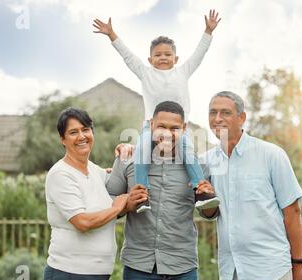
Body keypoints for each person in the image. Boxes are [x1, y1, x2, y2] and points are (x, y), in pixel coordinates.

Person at [93, 10, 221, 213]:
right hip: (150, 127)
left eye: (168, 54)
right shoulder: (145, 73)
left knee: (188, 152)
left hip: (179, 128)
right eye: (158, 55)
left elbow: (199, 54)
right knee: (142, 150)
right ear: (150, 59)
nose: (163, 58)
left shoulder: (183, 71)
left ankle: (201, 190)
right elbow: (128, 56)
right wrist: (112, 35)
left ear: (176, 58)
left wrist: (208, 31)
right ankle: (143, 192)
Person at [105, 101, 219, 280]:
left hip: (182, 269)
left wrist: (210, 199)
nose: (167, 133)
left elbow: (208, 214)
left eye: (175, 128)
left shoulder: (199, 167)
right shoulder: (127, 160)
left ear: (184, 129)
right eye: (162, 127)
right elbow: (108, 203)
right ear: (150, 126)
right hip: (139, 268)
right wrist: (127, 204)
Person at [202, 91, 302, 280]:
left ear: (241, 118)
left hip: (270, 273)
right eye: (212, 112)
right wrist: (134, 150)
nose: (217, 119)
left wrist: (298, 263)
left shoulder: (271, 155)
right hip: (230, 275)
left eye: (226, 113)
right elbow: (171, 161)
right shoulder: (205, 161)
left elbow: (292, 212)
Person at [43, 107, 146, 280]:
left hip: (98, 274)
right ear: (62, 139)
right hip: (71, 275)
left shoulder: (95, 171)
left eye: (86, 129)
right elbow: (82, 222)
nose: (81, 136)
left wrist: (125, 152)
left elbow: (119, 185)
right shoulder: (61, 174)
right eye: (73, 132)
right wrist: (116, 208)